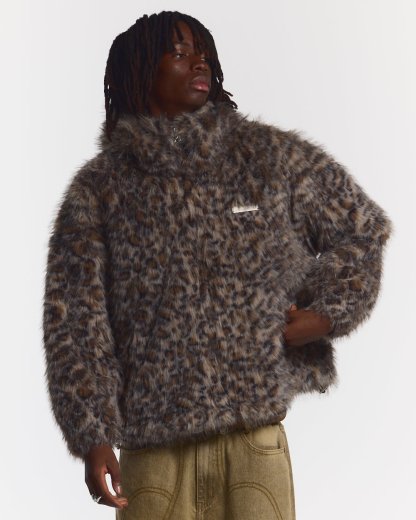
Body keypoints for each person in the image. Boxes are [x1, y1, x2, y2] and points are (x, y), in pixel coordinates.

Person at [42, 10, 393, 520]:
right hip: (153, 451)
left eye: (202, 52)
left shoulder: (268, 158)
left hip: (254, 441)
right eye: (179, 53)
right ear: (140, 71)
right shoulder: (101, 188)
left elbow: (361, 228)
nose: (198, 62)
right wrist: (93, 436)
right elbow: (75, 321)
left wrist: (326, 313)